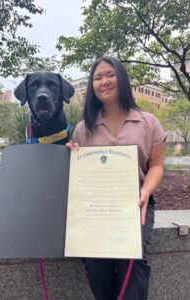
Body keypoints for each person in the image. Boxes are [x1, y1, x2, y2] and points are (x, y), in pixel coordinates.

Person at [67, 56, 166, 300]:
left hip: (135, 205)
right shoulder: (83, 128)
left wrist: (145, 192)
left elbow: (156, 165)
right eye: (98, 78)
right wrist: (72, 156)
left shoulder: (148, 121)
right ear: (92, 86)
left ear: (121, 79)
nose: (104, 81)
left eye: (110, 75)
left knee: (131, 262)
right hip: (96, 208)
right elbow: (79, 173)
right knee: (95, 264)